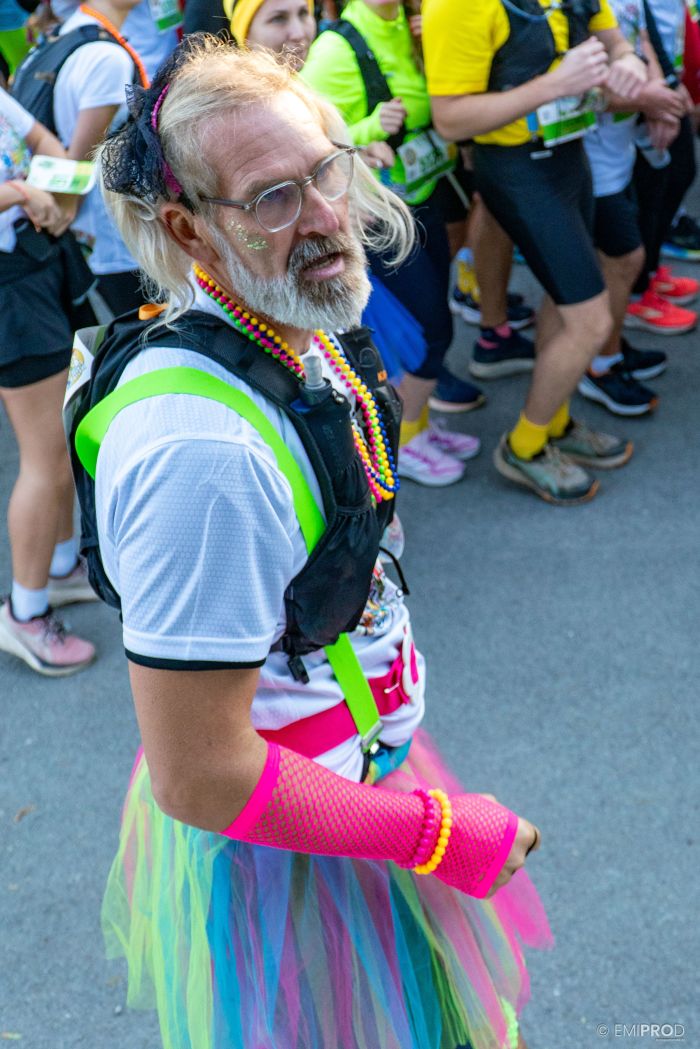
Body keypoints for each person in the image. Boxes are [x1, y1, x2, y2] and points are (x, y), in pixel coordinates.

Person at [76, 37, 552, 1048]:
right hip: (296, 846)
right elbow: (201, 773)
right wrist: (433, 833)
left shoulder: (287, 319)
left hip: (355, 768)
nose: (327, 217)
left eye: (324, 171)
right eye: (272, 198)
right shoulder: (202, 458)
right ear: (189, 228)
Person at [423, 0, 648, 504]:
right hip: (516, 169)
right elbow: (451, 119)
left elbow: (615, 42)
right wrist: (555, 84)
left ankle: (555, 423)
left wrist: (628, 62)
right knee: (589, 321)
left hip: (569, 156)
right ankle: (524, 446)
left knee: (564, 302)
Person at [302, 0, 485, 486]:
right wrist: (368, 130)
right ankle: (400, 442)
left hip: (423, 197)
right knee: (428, 332)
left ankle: (417, 425)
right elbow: (308, 144)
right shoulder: (337, 48)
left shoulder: (409, 25)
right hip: (378, 214)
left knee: (433, 324)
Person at [0, 87, 96, 675]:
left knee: (60, 439)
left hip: (37, 265)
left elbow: (46, 144)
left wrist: (57, 194)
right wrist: (23, 192)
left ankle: (59, 569)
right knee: (46, 458)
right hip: (9, 287)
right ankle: (24, 613)